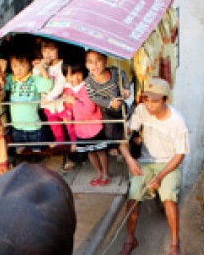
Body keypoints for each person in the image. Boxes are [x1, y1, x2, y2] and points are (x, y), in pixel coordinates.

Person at [117, 78, 189, 255]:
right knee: (133, 199)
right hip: (145, 163)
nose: (149, 104)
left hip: (168, 164)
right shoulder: (141, 111)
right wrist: (130, 159)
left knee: (168, 198)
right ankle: (130, 239)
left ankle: (175, 242)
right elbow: (123, 141)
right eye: (147, 99)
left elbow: (180, 155)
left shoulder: (177, 121)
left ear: (165, 100)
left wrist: (159, 177)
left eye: (154, 101)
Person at [85, 50, 131, 182]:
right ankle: (114, 148)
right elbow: (94, 97)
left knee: (126, 126)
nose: (95, 65)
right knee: (110, 129)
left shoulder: (115, 72)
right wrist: (110, 103)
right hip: (107, 109)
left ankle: (127, 145)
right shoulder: (89, 82)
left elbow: (124, 76)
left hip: (121, 106)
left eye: (98, 61)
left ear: (106, 61)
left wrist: (126, 88)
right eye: (90, 62)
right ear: (86, 65)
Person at [62, 61, 109, 185]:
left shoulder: (87, 87)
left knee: (100, 151)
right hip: (80, 129)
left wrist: (74, 102)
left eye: (77, 74)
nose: (74, 78)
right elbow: (69, 110)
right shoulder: (67, 90)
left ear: (83, 74)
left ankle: (105, 174)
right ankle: (98, 173)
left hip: (94, 126)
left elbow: (90, 109)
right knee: (90, 152)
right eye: (70, 75)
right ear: (65, 76)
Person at [34, 39, 74, 169]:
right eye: (45, 50)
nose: (48, 53)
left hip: (62, 103)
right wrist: (42, 66)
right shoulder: (41, 66)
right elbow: (36, 78)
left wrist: (50, 97)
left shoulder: (62, 65)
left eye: (52, 49)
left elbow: (61, 84)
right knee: (56, 129)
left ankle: (75, 148)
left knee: (70, 127)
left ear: (58, 50)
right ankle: (64, 154)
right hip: (49, 106)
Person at [1, 53, 53, 152]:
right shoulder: (11, 79)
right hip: (17, 126)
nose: (18, 69)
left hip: (34, 127)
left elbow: (48, 85)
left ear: (29, 65)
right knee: (20, 151)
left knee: (37, 152)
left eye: (22, 65)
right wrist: (2, 71)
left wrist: (42, 68)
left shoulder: (34, 79)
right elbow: (2, 87)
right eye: (15, 66)